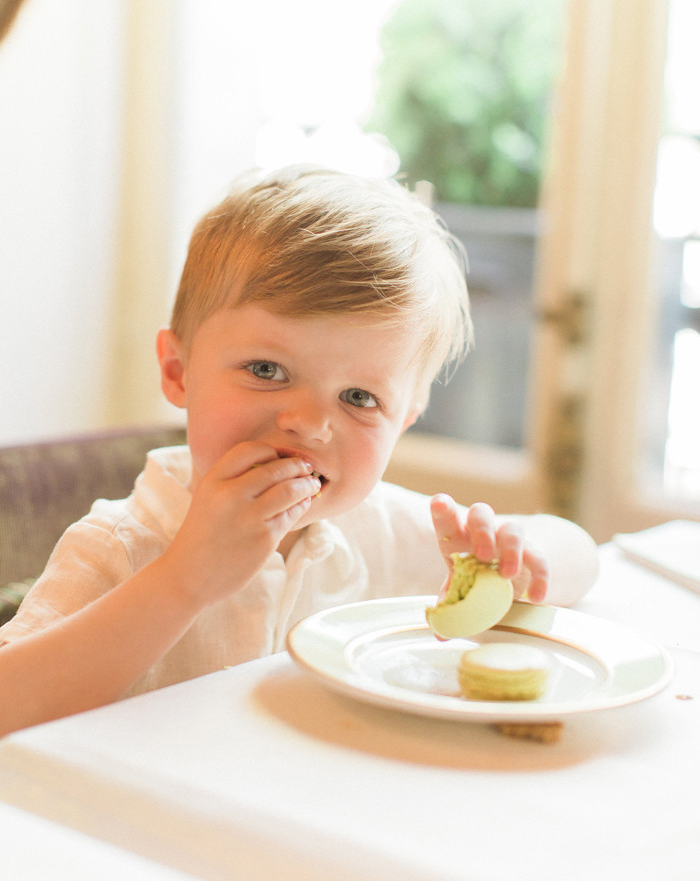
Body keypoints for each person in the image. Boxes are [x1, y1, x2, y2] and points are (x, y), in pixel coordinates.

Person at [0, 165, 598, 735]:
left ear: (404, 421)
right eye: (268, 369)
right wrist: (184, 580)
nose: (310, 424)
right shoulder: (118, 547)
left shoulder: (376, 530)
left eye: (359, 397)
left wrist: (522, 559)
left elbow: (580, 553)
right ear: (179, 372)